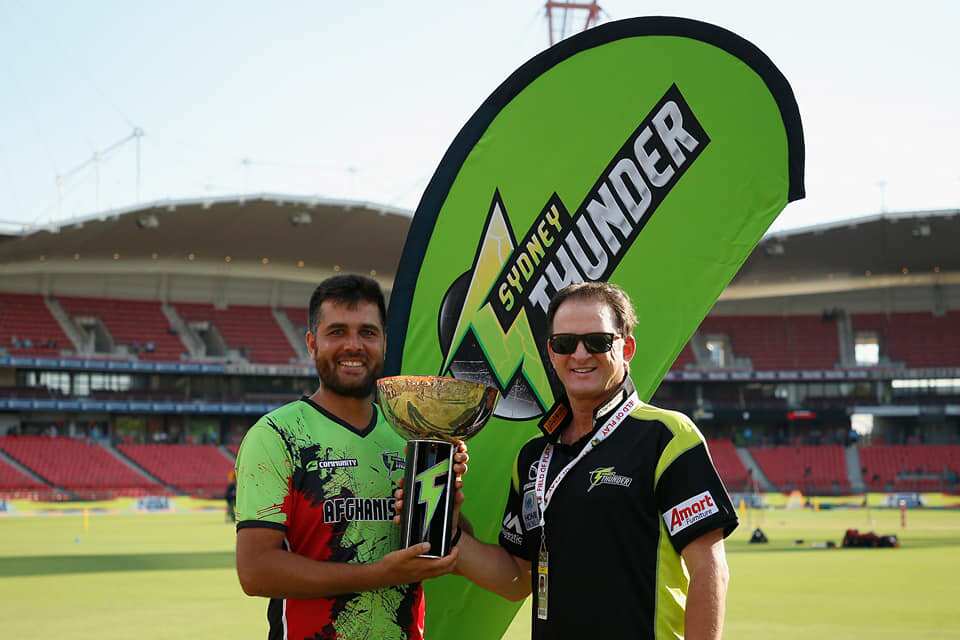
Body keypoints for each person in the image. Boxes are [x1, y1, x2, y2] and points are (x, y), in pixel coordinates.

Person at [421, 282, 739, 639]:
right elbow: (516, 578)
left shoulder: (667, 436)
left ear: (626, 347)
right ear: (551, 353)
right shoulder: (533, 458)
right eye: (565, 343)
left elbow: (709, 570)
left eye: (598, 342)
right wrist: (441, 532)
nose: (581, 355)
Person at [235, 274, 467, 640]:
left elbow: (436, 549)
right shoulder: (276, 436)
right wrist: (380, 575)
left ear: (384, 343)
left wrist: (447, 508)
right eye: (337, 332)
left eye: (368, 333)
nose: (353, 345)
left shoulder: (412, 435)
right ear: (312, 343)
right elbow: (256, 570)